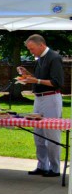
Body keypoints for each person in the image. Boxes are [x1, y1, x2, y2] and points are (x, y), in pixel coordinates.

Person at [22, 34, 64, 178]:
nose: (31, 52)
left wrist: (37, 80)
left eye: (32, 49)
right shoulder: (40, 58)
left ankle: (55, 168)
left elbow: (56, 82)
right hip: (39, 99)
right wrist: (28, 76)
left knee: (51, 134)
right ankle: (42, 165)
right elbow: (39, 79)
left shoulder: (54, 57)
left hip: (51, 98)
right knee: (38, 134)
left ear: (41, 45)